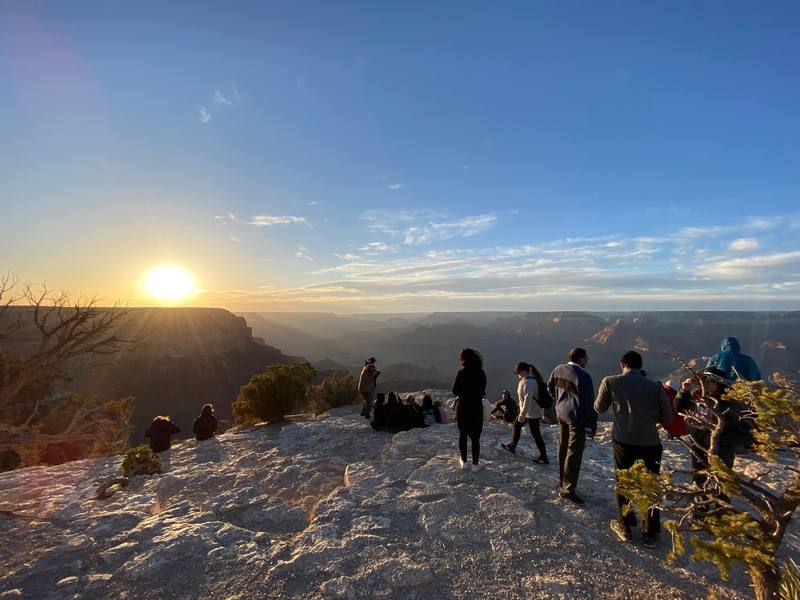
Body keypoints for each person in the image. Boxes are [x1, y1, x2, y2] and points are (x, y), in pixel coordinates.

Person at [595, 351, 673, 547]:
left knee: (623, 483)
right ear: (640, 366)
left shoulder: (610, 381)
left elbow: (599, 408)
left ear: (622, 364)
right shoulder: (655, 387)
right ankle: (650, 532)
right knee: (651, 485)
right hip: (650, 442)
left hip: (623, 441)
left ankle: (626, 527)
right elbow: (667, 418)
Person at [675, 367, 744, 506]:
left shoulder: (729, 401)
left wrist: (724, 442)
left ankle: (721, 514)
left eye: (710, 381)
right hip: (698, 443)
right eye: (703, 380)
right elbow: (678, 408)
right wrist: (683, 391)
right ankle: (700, 511)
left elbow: (740, 428)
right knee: (699, 479)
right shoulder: (696, 395)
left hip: (722, 447)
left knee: (723, 481)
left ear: (719, 383)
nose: (705, 384)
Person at [547, 347, 597, 505]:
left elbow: (550, 389)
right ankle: (568, 490)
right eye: (586, 358)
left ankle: (562, 480)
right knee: (574, 452)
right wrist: (591, 426)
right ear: (581, 359)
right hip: (577, 419)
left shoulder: (558, 369)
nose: (587, 361)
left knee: (563, 446)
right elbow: (589, 403)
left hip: (561, 414)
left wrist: (561, 402)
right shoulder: (583, 376)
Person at [502, 362, 549, 464]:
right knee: (519, 426)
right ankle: (513, 446)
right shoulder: (525, 381)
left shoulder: (529, 383)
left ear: (524, 371)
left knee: (535, 433)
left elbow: (527, 401)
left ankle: (544, 456)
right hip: (530, 412)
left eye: (518, 373)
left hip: (532, 412)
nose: (518, 375)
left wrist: (522, 415)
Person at [452, 348, 487, 471]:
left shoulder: (461, 373)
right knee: (475, 437)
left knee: (463, 434)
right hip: (476, 407)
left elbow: (454, 391)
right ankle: (475, 465)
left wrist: (464, 393)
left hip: (463, 406)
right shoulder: (481, 373)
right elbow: (483, 391)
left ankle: (464, 461)